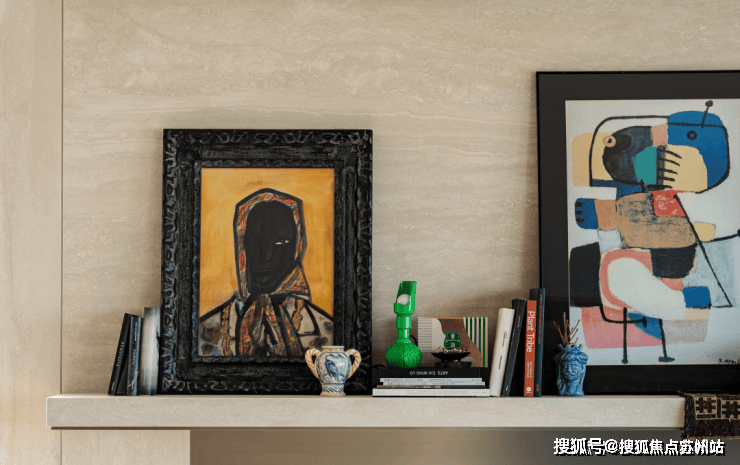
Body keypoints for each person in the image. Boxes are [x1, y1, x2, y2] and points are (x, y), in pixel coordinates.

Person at [199, 188, 333, 357]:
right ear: (241, 247)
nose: (265, 256)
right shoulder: (205, 334)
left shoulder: (327, 334)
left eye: (281, 242)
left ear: (297, 248)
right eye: (254, 241)